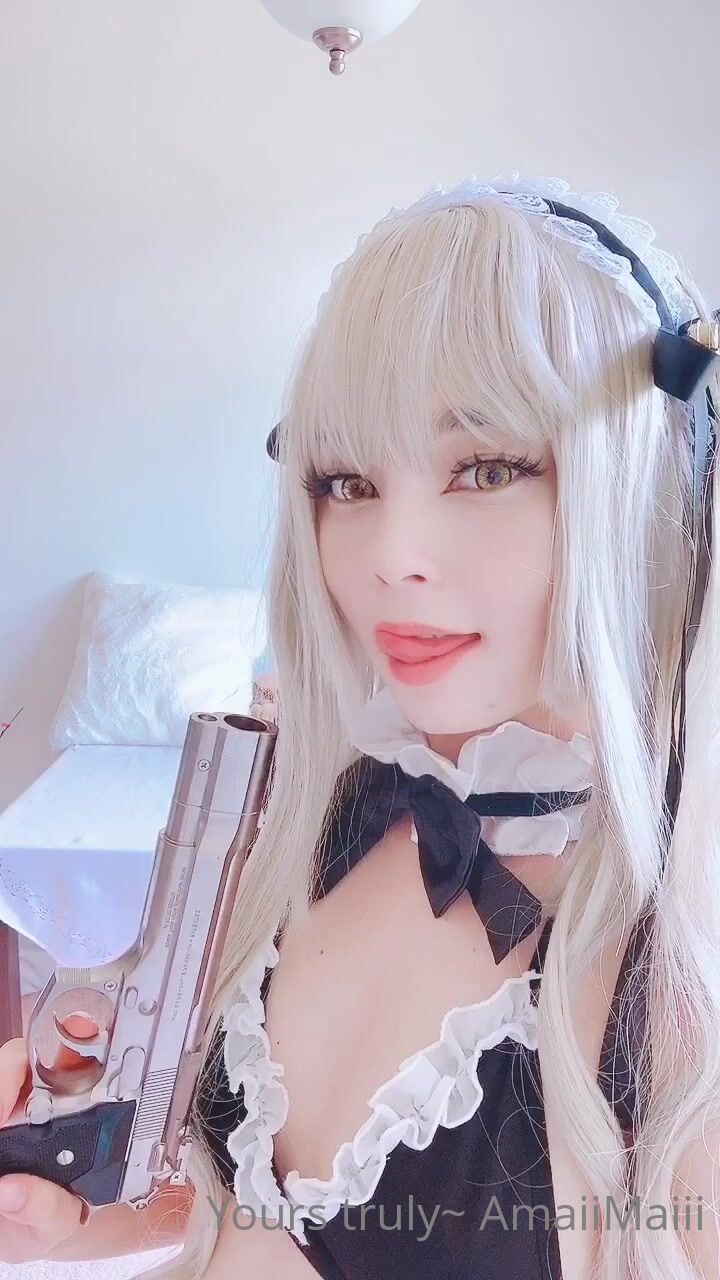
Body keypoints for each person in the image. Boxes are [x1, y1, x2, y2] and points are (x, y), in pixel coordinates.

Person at [1, 172, 719, 1279]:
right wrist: (82, 1218)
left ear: (640, 484)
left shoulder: (672, 966)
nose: (390, 556)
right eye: (346, 481)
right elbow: (249, 1209)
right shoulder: (323, 811)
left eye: (486, 467)